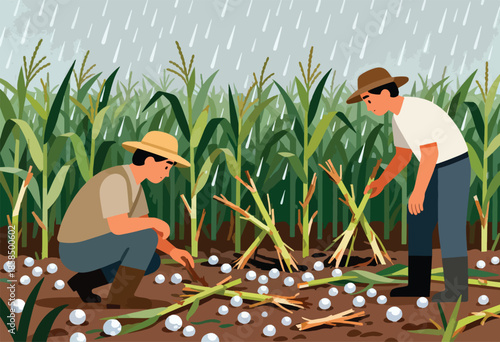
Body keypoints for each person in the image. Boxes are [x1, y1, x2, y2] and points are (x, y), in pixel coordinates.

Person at [347, 67, 471, 302]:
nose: (368, 106)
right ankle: (417, 285)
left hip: (453, 165)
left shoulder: (415, 112)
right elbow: (403, 156)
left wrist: (418, 192)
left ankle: (457, 291)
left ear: (384, 93)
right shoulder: (398, 118)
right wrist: (382, 182)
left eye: (369, 99)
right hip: (435, 167)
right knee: (418, 220)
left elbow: (430, 154)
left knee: (449, 226)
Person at [57, 131, 195, 309]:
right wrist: (155, 222)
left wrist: (173, 251)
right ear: (150, 161)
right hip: (76, 250)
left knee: (151, 261)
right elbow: (120, 226)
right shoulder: (116, 180)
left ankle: (83, 282)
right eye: (166, 167)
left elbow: (144, 228)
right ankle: (119, 299)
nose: (167, 174)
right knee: (144, 239)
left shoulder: (136, 186)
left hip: (94, 246)